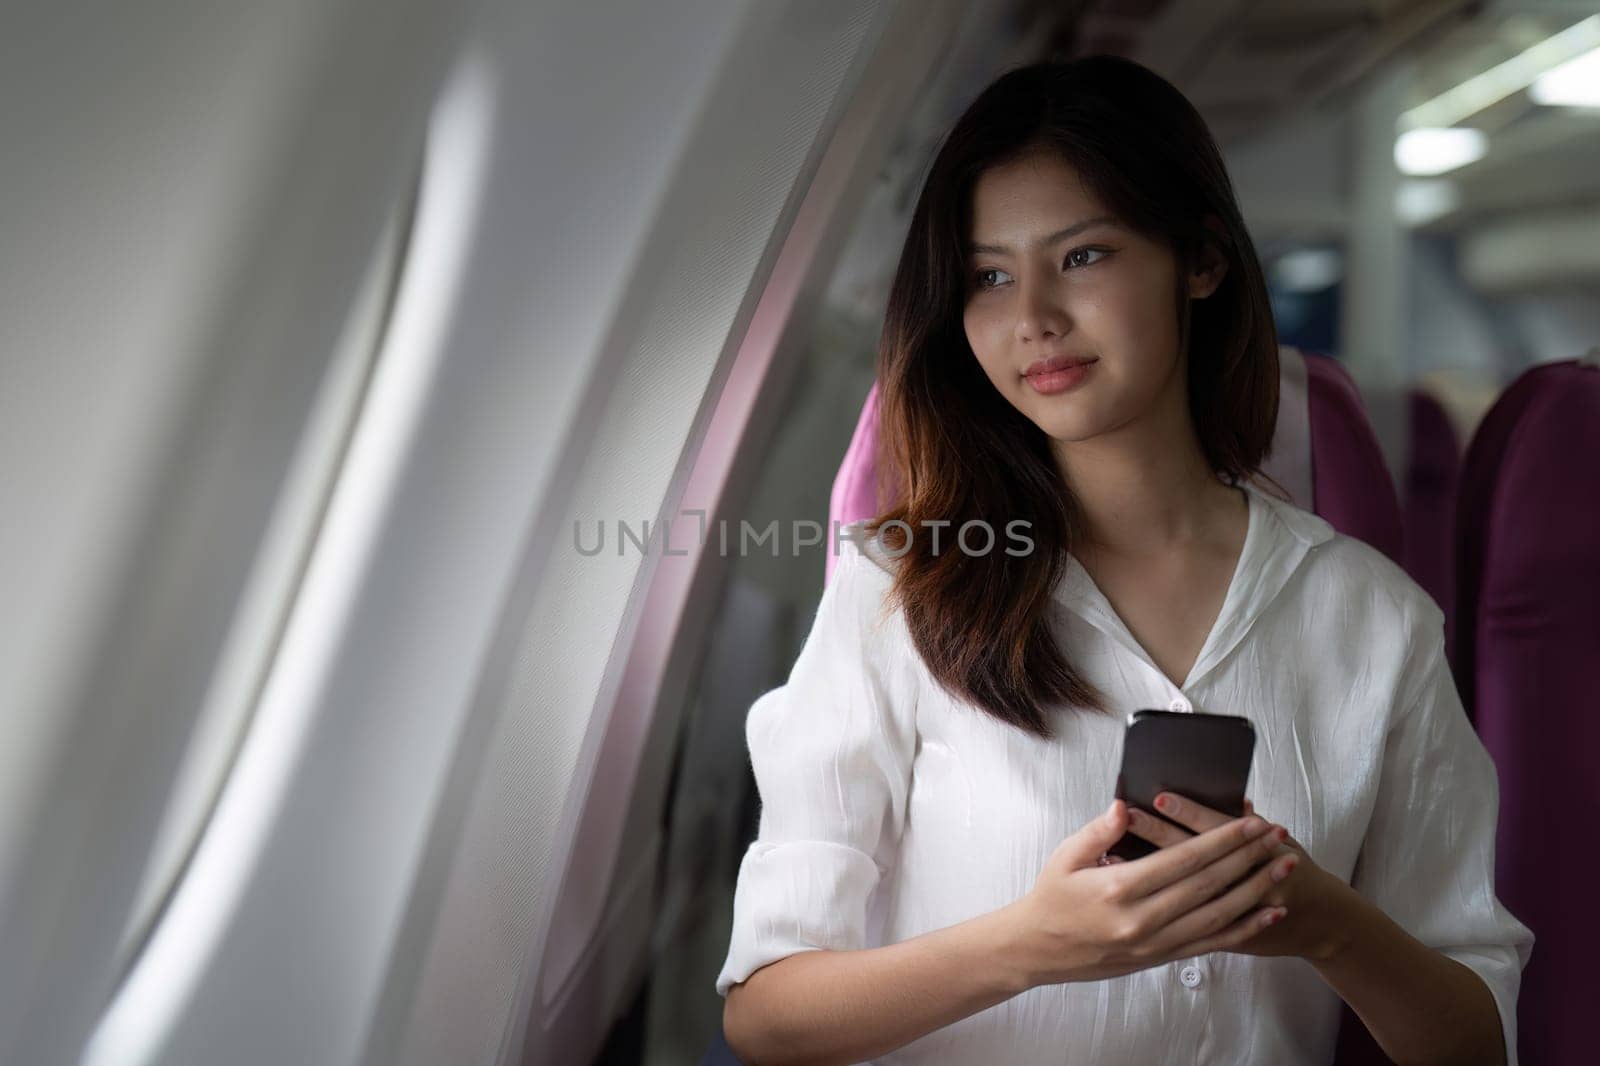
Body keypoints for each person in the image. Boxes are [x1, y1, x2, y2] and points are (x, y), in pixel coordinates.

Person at [715, 56, 1531, 1065]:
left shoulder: (1371, 618)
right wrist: (1029, 945)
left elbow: (1476, 1039)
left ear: (1200, 259)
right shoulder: (899, 591)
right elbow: (765, 1012)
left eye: (1084, 256)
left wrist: (1324, 923)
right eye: (989, 277)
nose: (1034, 320)